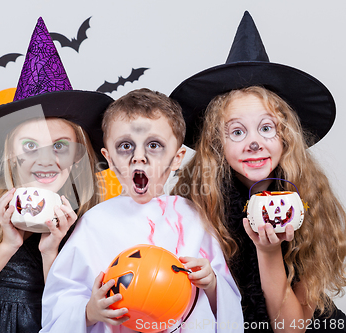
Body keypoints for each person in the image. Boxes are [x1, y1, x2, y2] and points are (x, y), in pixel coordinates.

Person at [170, 11, 346, 333]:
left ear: (286, 137)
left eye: (267, 128)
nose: (254, 143)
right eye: (237, 132)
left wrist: (268, 252)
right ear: (216, 143)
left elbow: (289, 327)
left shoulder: (311, 199)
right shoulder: (193, 203)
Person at [0, 17, 113, 333]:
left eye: (60, 146)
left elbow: (71, 316)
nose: (45, 159)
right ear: (10, 154)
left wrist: (51, 251)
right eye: (30, 146)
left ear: (77, 157)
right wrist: (7, 244)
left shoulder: (86, 216)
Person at [41, 88, 243, 333]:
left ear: (177, 158)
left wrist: (211, 284)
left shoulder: (192, 218)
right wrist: (89, 312)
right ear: (109, 158)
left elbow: (227, 309)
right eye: (126, 146)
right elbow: (61, 301)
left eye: (154, 145)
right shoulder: (94, 223)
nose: (139, 157)